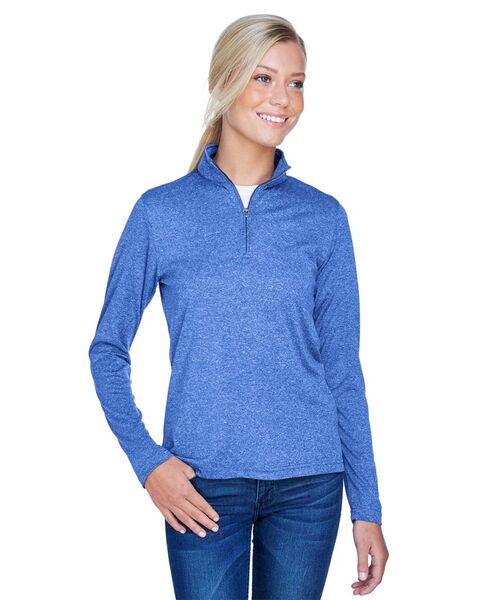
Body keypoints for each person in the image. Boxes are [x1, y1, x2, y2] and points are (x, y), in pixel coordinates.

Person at [88, 13, 389, 599]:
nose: (283, 99)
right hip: (200, 486)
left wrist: (367, 506)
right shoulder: (160, 213)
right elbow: (107, 350)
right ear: (223, 82)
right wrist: (149, 463)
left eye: (296, 83)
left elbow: (343, 369)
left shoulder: (324, 218)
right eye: (263, 78)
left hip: (309, 486)